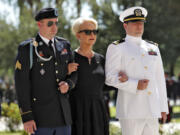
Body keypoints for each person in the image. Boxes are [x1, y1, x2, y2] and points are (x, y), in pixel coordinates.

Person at [105, 6, 169, 135]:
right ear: (125, 26)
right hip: (131, 110)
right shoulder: (117, 47)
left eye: (141, 23)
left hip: (152, 109)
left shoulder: (153, 48)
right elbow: (110, 78)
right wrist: (134, 84)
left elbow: (159, 79)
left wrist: (163, 108)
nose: (139, 26)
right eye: (134, 23)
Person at [15, 8, 77, 135]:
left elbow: (75, 71)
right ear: (39, 24)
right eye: (50, 23)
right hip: (40, 119)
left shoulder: (64, 45)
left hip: (63, 116)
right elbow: (22, 85)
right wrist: (27, 117)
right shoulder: (28, 49)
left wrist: (68, 84)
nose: (54, 27)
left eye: (56, 23)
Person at [69, 17, 117, 135]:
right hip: (77, 111)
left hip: (98, 110)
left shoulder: (101, 59)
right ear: (77, 35)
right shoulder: (69, 58)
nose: (92, 34)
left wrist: (119, 80)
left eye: (95, 31)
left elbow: (104, 85)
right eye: (87, 31)